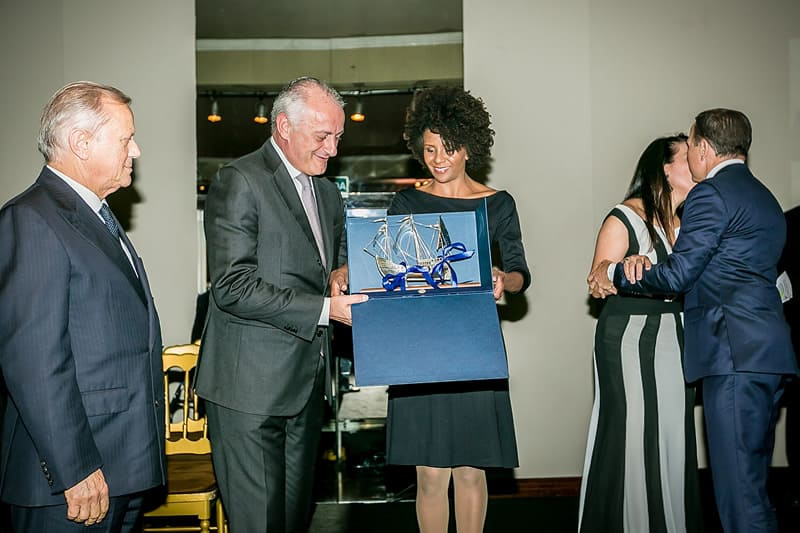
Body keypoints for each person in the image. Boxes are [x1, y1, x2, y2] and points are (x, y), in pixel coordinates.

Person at [589, 108, 800, 532]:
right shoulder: (764, 197)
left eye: (691, 146)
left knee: (739, 495)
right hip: (768, 354)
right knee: (754, 487)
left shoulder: (711, 195)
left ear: (703, 148)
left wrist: (617, 273)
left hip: (733, 354)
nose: (689, 155)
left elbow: (680, 274)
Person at [194, 77, 367, 533]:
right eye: (323, 136)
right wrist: (325, 310)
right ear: (285, 126)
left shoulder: (327, 192)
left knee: (293, 521)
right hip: (249, 392)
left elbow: (331, 261)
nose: (332, 149)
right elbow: (231, 286)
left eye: (338, 137)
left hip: (306, 388)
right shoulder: (239, 180)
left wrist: (340, 274)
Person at [0, 81, 165, 532]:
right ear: (81, 142)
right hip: (74, 484)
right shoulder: (32, 219)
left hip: (121, 468)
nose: (136, 151)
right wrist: (74, 468)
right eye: (126, 139)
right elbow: (33, 360)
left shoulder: (96, 214)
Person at [376, 86, 529, 533]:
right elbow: (386, 270)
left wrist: (503, 279)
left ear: (468, 148)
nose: (438, 159)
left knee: (470, 471)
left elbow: (520, 273)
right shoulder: (406, 203)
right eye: (429, 150)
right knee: (429, 475)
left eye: (448, 148)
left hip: (474, 345)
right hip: (421, 349)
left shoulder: (498, 203)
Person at [579, 135, 703, 532]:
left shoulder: (692, 224)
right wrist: (621, 268)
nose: (698, 161)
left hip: (677, 336)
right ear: (665, 169)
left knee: (672, 435)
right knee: (633, 434)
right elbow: (597, 280)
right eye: (688, 156)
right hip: (629, 337)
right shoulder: (625, 217)